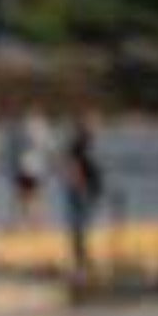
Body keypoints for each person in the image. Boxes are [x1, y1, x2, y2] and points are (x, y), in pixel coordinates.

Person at [58, 112, 105, 276]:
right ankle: (81, 263)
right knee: (80, 227)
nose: (96, 128)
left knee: (83, 227)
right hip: (81, 192)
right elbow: (70, 165)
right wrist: (79, 185)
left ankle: (83, 261)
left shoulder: (86, 143)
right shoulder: (78, 143)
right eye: (92, 125)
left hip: (88, 192)